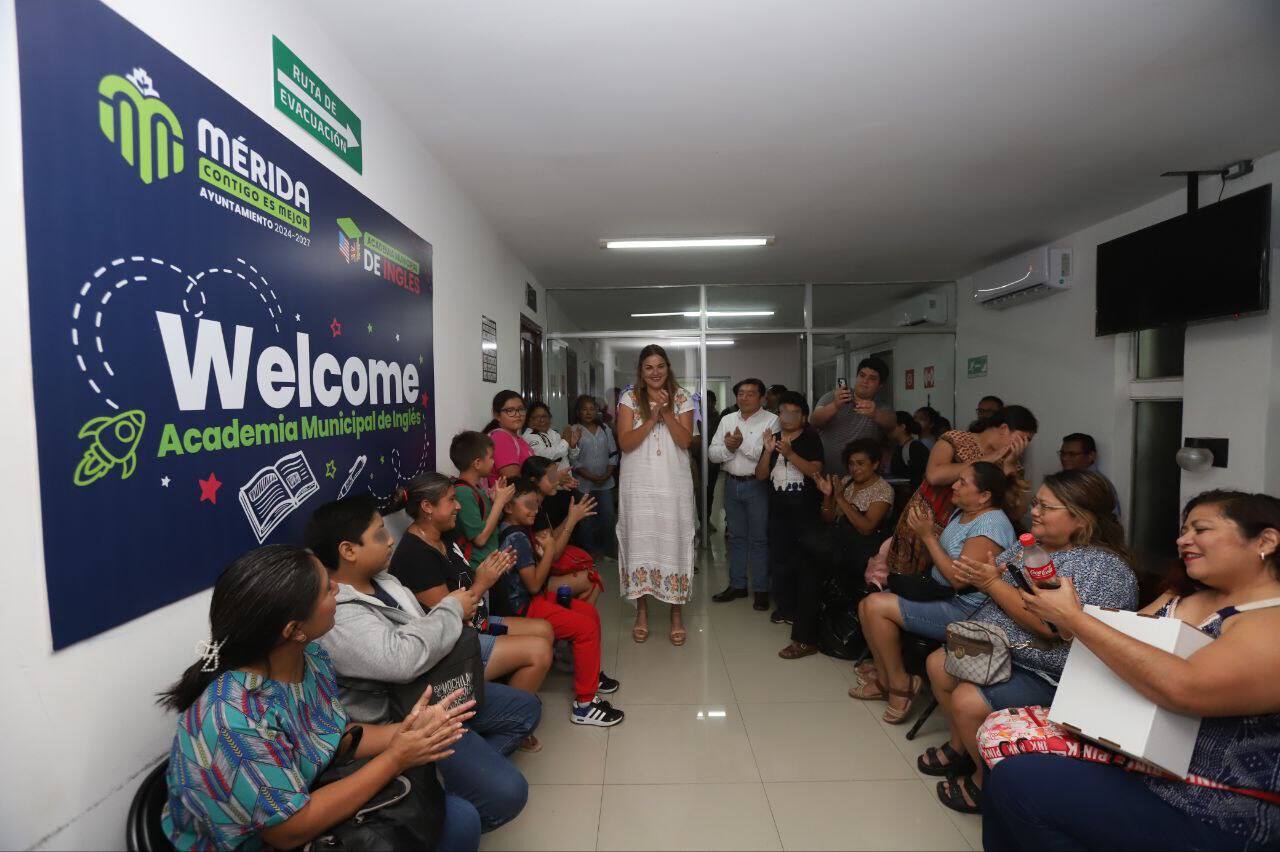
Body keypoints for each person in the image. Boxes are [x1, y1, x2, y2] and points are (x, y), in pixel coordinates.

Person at [983, 489, 1280, 849]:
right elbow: (1115, 641)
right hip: (1140, 760)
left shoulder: (1270, 618)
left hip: (1211, 803)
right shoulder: (1182, 595)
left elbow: (1187, 688)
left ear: (1265, 540)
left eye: (1200, 529)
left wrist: (1075, 620)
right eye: (1183, 530)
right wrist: (1065, 618)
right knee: (1002, 741)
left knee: (1021, 783)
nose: (1183, 539)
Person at [159, 544, 482, 852]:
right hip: (275, 836)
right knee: (457, 822)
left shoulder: (311, 656)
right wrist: (396, 757)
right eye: (328, 589)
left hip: (309, 795)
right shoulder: (232, 719)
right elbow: (289, 831)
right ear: (294, 629)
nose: (339, 590)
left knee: (457, 814)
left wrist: (409, 732)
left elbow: (329, 735)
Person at [307, 497, 538, 832]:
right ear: (348, 550)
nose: (390, 540)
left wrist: (449, 614)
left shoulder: (385, 581)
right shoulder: (339, 614)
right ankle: (441, 790)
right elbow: (403, 659)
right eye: (379, 534)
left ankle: (454, 776)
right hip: (407, 716)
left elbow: (423, 633)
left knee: (526, 709)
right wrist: (451, 609)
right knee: (510, 793)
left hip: (440, 687)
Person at [918, 470, 1137, 815]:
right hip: (1005, 654)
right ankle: (962, 748)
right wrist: (984, 575)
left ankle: (984, 781)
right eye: (1036, 503)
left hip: (1053, 673)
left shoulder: (1102, 567)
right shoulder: (1030, 547)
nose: (1035, 512)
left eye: (1046, 508)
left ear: (1080, 520)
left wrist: (992, 584)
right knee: (937, 664)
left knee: (967, 700)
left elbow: (1051, 627)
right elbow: (992, 575)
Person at [851, 462, 1017, 721]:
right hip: (940, 592)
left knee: (875, 606)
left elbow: (958, 580)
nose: (954, 486)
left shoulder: (991, 525)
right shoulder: (962, 512)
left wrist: (928, 536)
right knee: (866, 604)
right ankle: (885, 681)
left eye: (963, 483)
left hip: (966, 609)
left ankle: (901, 686)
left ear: (985, 496)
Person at [386, 473, 554, 704]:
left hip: (477, 623)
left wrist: (490, 570)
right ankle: (512, 718)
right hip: (455, 645)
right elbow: (450, 618)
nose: (458, 506)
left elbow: (463, 581)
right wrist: (483, 582)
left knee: (544, 629)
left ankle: (501, 696)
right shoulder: (415, 555)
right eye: (451, 500)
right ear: (427, 507)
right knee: (540, 651)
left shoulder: (444, 535)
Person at [497, 478, 625, 726]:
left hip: (534, 598)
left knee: (588, 613)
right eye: (528, 505)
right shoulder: (516, 538)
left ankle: (589, 675)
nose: (534, 511)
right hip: (525, 608)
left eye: (536, 506)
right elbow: (534, 584)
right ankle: (585, 706)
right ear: (508, 507)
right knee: (585, 627)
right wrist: (548, 549)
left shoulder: (519, 529)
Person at [886, 405, 1038, 576]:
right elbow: (934, 475)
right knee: (904, 577)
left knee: (944, 582)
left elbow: (1014, 513)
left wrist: (1010, 469)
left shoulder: (1012, 463)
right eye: (1022, 439)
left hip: (962, 534)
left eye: (1027, 442)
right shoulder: (956, 439)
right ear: (1004, 429)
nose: (1023, 446)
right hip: (924, 519)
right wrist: (988, 460)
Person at [780, 438, 894, 660]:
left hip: (861, 552)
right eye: (851, 463)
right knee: (806, 565)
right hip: (837, 545)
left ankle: (804, 638)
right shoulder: (848, 482)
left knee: (807, 564)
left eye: (861, 463)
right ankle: (805, 635)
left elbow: (866, 528)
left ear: (875, 464)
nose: (855, 468)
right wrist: (827, 496)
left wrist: (840, 498)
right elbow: (828, 517)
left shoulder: (883, 490)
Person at [616, 344, 697, 645]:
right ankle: (642, 611)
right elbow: (625, 443)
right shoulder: (629, 399)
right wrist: (651, 417)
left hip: (673, 486)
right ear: (641, 371)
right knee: (641, 542)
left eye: (660, 366)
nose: (655, 372)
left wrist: (667, 413)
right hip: (638, 487)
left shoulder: (683, 398)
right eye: (648, 367)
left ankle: (676, 614)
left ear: (668, 368)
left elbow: (685, 442)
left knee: (674, 541)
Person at [709, 378, 780, 610]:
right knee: (736, 538)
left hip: (757, 486)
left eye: (750, 394)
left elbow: (766, 455)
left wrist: (738, 445)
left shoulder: (773, 421)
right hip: (731, 483)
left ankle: (761, 589)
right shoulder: (727, 419)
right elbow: (712, 453)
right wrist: (728, 447)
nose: (744, 397)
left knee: (759, 539)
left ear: (761, 398)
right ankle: (737, 585)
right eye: (740, 393)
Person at [754, 390, 824, 625]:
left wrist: (790, 454)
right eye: (784, 412)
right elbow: (761, 475)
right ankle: (784, 607)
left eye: (794, 413)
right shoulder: (772, 437)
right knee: (779, 558)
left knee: (803, 558)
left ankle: (801, 608)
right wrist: (768, 451)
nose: (788, 417)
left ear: (803, 417)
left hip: (805, 509)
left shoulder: (811, 438)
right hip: (779, 510)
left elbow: (815, 472)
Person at [523, 455, 602, 606]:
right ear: (534, 480)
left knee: (591, 571)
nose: (556, 481)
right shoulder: (532, 509)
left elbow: (551, 537)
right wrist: (571, 521)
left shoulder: (539, 503)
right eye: (551, 477)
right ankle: (579, 622)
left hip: (542, 569)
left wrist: (570, 517)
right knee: (595, 581)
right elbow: (553, 554)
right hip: (538, 580)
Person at [449, 430, 513, 574]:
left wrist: (493, 500)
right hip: (479, 568)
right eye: (491, 457)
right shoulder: (463, 493)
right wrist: (499, 503)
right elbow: (480, 538)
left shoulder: (476, 489)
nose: (493, 461)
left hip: (491, 563)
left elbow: (487, 522)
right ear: (477, 463)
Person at [810, 357, 888, 476]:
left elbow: (891, 424)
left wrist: (875, 414)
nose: (865, 381)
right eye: (862, 375)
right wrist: (835, 406)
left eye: (872, 378)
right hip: (828, 475)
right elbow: (814, 421)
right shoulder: (833, 396)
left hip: (862, 479)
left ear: (880, 385)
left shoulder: (881, 406)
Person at [567, 394, 619, 558]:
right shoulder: (573, 430)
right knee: (586, 520)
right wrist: (590, 476)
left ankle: (609, 550)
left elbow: (613, 454)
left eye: (592, 409)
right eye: (584, 409)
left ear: (597, 410)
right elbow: (572, 459)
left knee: (608, 516)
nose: (588, 412)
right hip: (584, 484)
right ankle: (589, 553)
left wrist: (607, 474)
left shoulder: (605, 429)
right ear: (578, 412)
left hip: (605, 482)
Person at [1059, 431, 1121, 520]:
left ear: (1090, 456)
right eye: (1062, 453)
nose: (1064, 458)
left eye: (1072, 454)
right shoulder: (1063, 481)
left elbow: (1112, 521)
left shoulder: (1099, 485)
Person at [483, 390, 532, 483]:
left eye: (521, 409)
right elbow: (514, 481)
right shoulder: (500, 438)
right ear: (497, 415)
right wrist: (547, 481)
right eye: (510, 410)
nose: (518, 415)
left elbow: (537, 472)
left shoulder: (518, 439)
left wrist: (555, 478)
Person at [521, 400, 570, 471]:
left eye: (544, 416)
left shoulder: (553, 432)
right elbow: (545, 457)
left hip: (566, 478)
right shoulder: (530, 436)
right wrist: (566, 440)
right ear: (529, 420)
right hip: (550, 480)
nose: (542, 420)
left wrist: (573, 446)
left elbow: (568, 456)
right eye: (537, 417)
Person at [888, 410, 930, 491]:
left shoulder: (915, 448)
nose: (888, 428)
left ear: (902, 427)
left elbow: (920, 477)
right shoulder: (898, 447)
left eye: (892, 425)